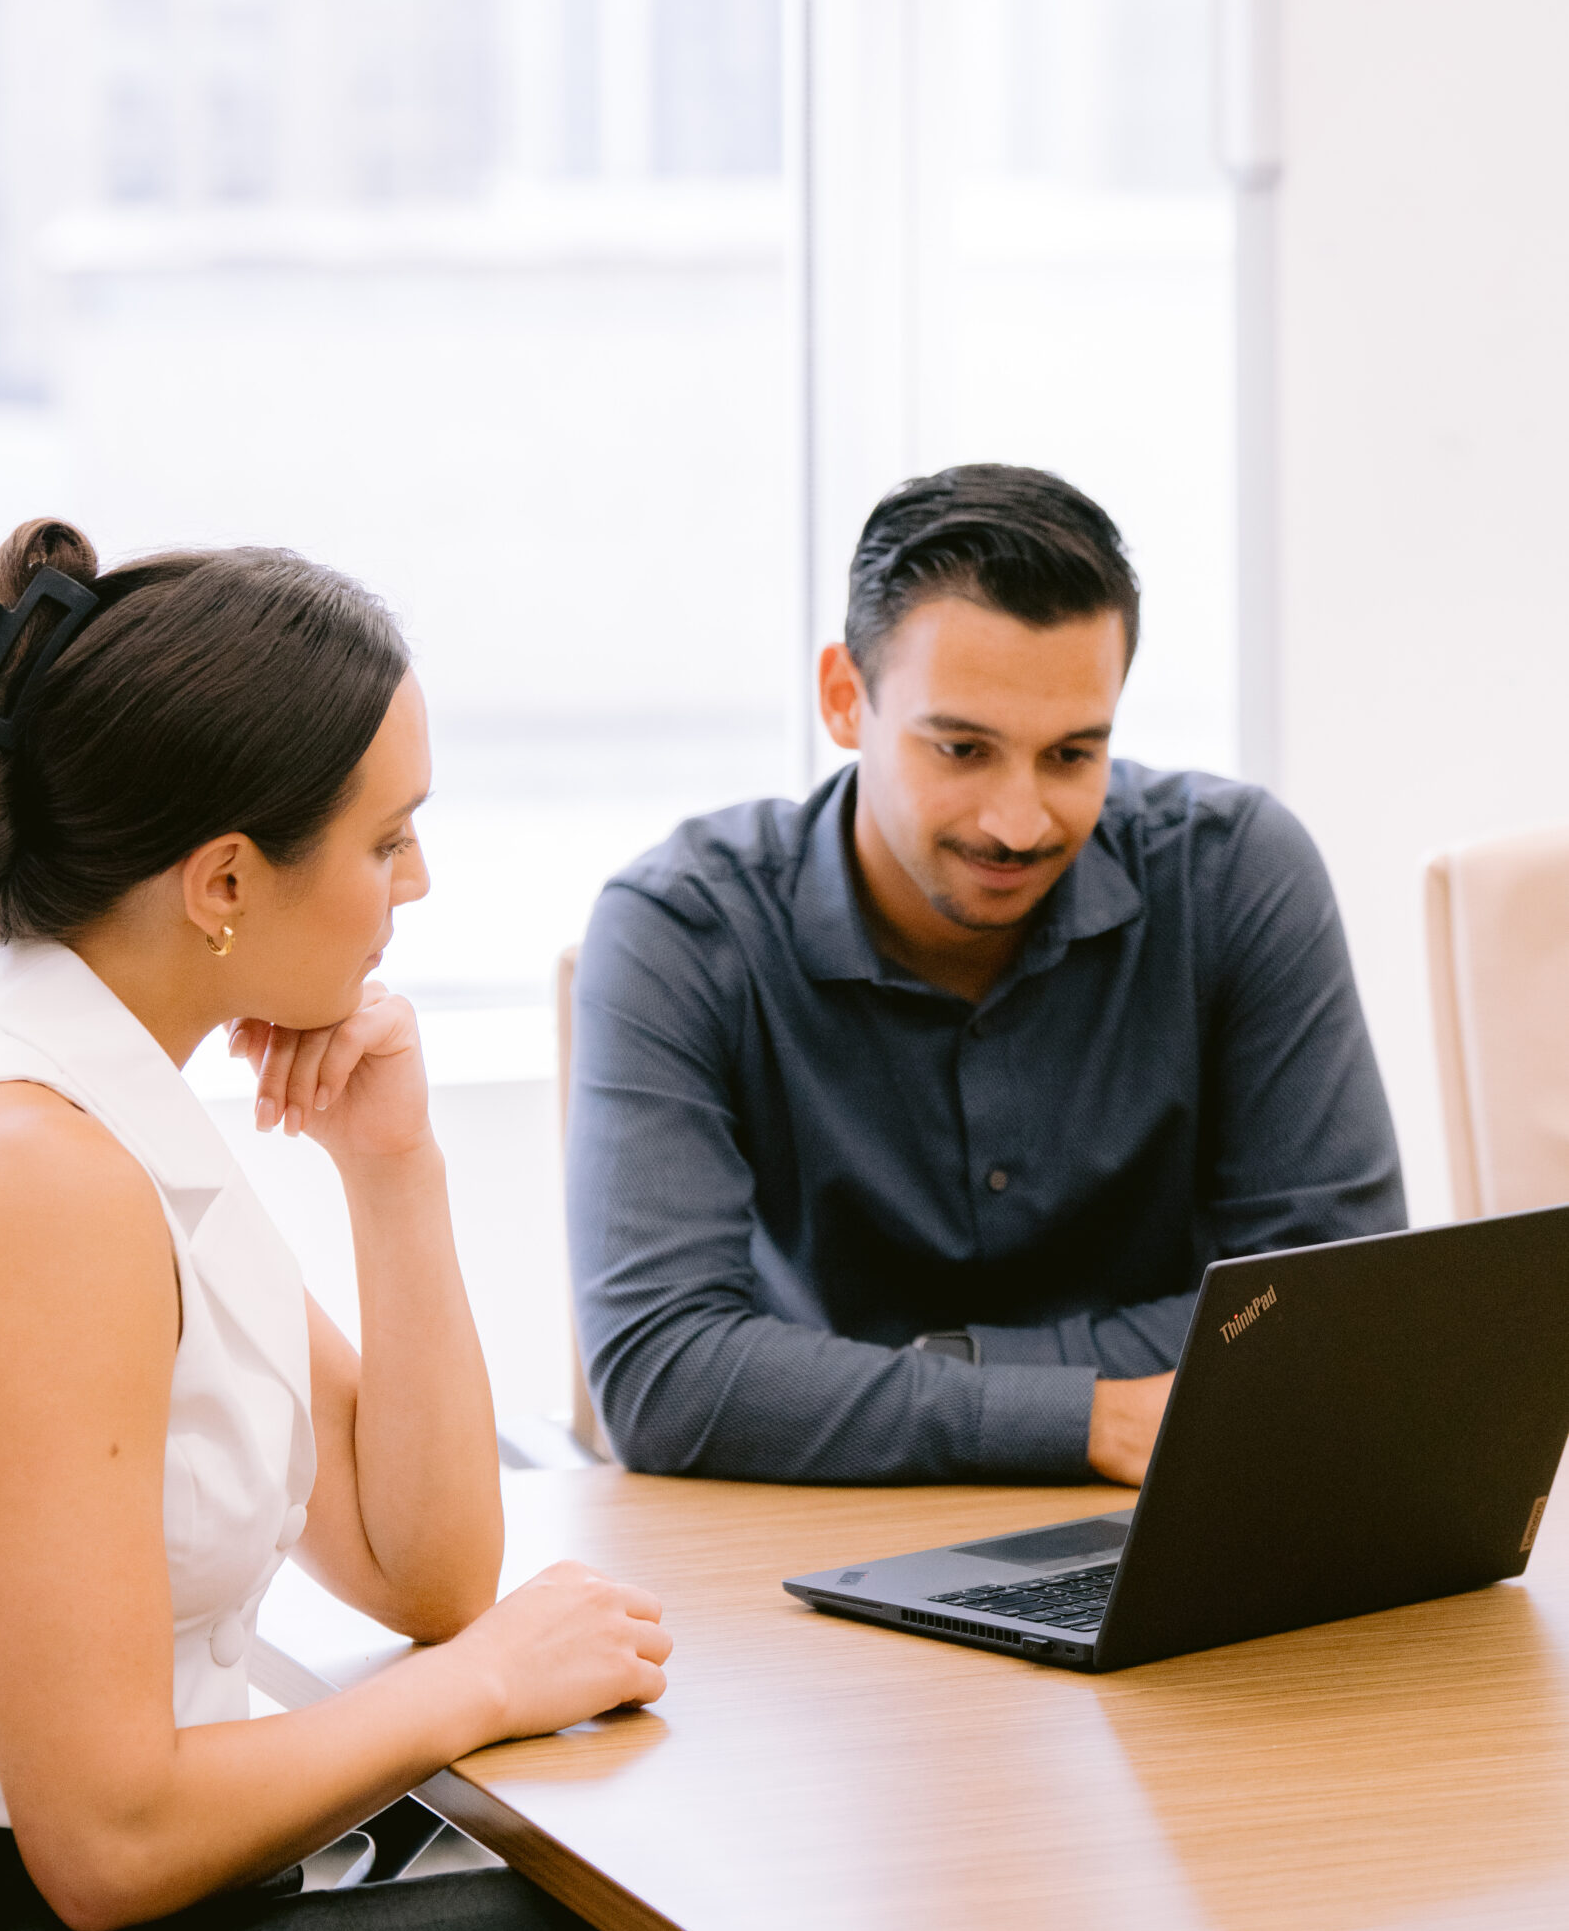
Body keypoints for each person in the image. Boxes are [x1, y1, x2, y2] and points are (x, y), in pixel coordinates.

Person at [0, 519, 693, 1931]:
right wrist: (488, 1684)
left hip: (60, 1919)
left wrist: (395, 1170)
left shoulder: (99, 1095)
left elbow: (423, 1568)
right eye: (386, 840)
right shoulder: (33, 1181)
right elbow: (107, 1844)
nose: (416, 883)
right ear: (225, 883)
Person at [567, 464, 1406, 1490]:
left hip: (1166, 1508)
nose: (1018, 821)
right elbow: (663, 1374)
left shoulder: (1234, 872)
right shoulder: (680, 928)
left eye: (1070, 755)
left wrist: (925, 1377)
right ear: (844, 696)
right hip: (812, 1542)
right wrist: (1081, 1416)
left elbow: (1330, 1303)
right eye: (961, 748)